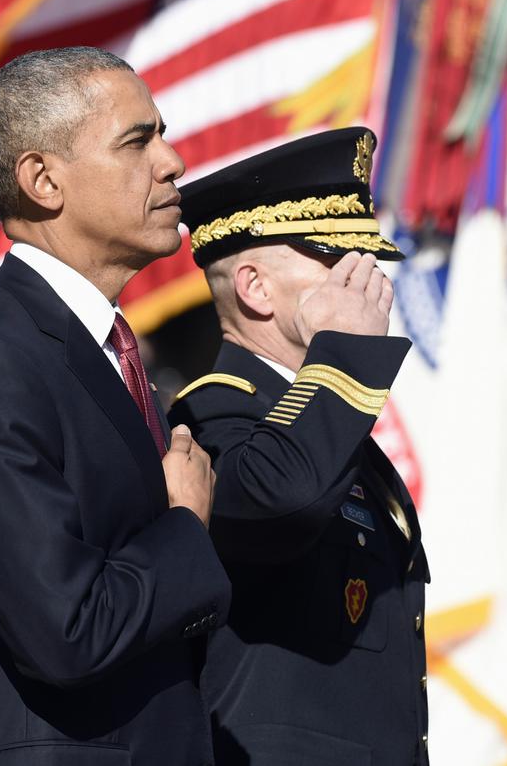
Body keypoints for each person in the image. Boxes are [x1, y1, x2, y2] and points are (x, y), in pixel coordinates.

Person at [0, 46, 230, 766]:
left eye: (161, 135)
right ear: (43, 179)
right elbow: (67, 628)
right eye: (137, 140)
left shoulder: (103, 348)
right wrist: (183, 525)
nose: (173, 161)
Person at [168, 127, 430, 765]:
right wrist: (348, 360)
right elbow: (277, 504)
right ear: (255, 288)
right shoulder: (209, 414)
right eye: (334, 261)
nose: (365, 278)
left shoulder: (332, 427)